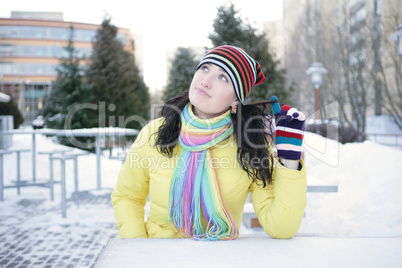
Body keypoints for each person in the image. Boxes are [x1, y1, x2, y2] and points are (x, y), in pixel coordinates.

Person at [111, 45, 307, 241]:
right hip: (159, 253)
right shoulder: (155, 132)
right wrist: (136, 246)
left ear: (236, 100)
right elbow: (127, 197)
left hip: (219, 256)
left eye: (223, 77)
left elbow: (281, 227)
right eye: (205, 68)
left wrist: (289, 159)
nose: (205, 81)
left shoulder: (251, 145)